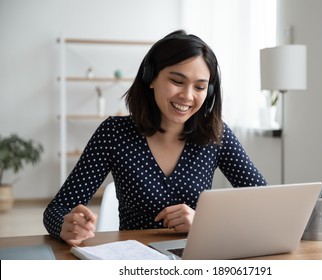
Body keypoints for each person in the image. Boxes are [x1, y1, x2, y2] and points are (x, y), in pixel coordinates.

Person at [43, 30, 267, 246]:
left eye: (199, 86)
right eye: (177, 81)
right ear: (150, 78)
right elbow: (56, 209)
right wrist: (65, 226)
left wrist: (204, 222)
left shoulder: (216, 134)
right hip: (134, 260)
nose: (187, 96)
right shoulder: (114, 134)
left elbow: (264, 202)